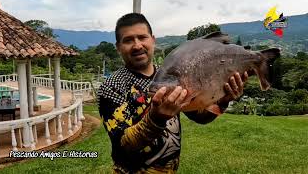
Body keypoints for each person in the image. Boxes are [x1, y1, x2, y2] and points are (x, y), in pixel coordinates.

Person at [97, 13, 248, 174]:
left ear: (153, 40)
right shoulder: (112, 86)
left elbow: (200, 116)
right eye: (128, 40)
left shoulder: (171, 75)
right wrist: (156, 118)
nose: (137, 45)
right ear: (118, 47)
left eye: (142, 37)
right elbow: (121, 147)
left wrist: (222, 100)